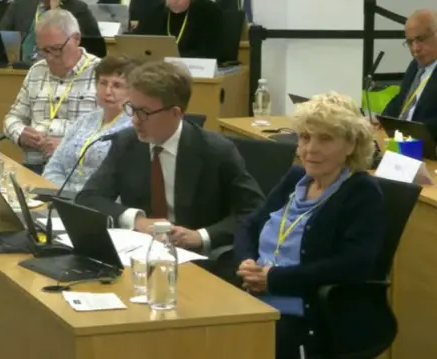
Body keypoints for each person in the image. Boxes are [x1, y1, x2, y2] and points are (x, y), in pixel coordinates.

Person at [234, 93, 385, 359]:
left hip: (309, 311)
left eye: (325, 139)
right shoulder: (297, 177)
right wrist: (247, 262)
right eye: (305, 137)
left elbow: (354, 264)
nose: (310, 149)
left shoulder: (362, 192)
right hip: (255, 294)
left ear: (351, 145)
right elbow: (250, 224)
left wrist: (274, 279)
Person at [76, 61, 264, 254]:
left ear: (175, 113)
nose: (134, 120)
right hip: (139, 252)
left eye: (144, 112)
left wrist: (201, 236)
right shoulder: (127, 143)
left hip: (198, 259)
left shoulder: (215, 151)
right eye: (132, 108)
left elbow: (254, 211)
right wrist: (137, 220)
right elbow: (89, 198)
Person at [3, 9, 101, 174]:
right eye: (43, 50)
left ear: (76, 39)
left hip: (78, 171)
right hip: (35, 167)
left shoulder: (101, 75)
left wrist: (67, 148)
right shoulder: (37, 71)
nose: (49, 57)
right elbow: (12, 118)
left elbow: (113, 135)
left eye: (56, 49)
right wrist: (20, 133)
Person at [43, 56, 138, 191]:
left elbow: (125, 184)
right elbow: (54, 165)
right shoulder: (85, 120)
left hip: (101, 205)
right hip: (61, 199)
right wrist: (61, 195)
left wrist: (82, 200)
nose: (107, 92)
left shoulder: (134, 126)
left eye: (117, 85)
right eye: (103, 83)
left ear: (132, 91)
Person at [383, 9, 437, 140]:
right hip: (402, 141)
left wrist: (410, 132)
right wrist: (382, 119)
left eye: (421, 39)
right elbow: (402, 98)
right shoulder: (415, 65)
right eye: (410, 42)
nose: (415, 49)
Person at [0, 0, 101, 62]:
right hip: (21, 65)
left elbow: (93, 44)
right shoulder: (20, 5)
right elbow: (0, 36)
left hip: (59, 64)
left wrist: (55, 12)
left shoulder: (78, 8)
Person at [131, 0, 226, 63]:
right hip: (155, 72)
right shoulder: (154, 12)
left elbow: (209, 53)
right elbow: (138, 44)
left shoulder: (209, 12)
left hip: (192, 71)